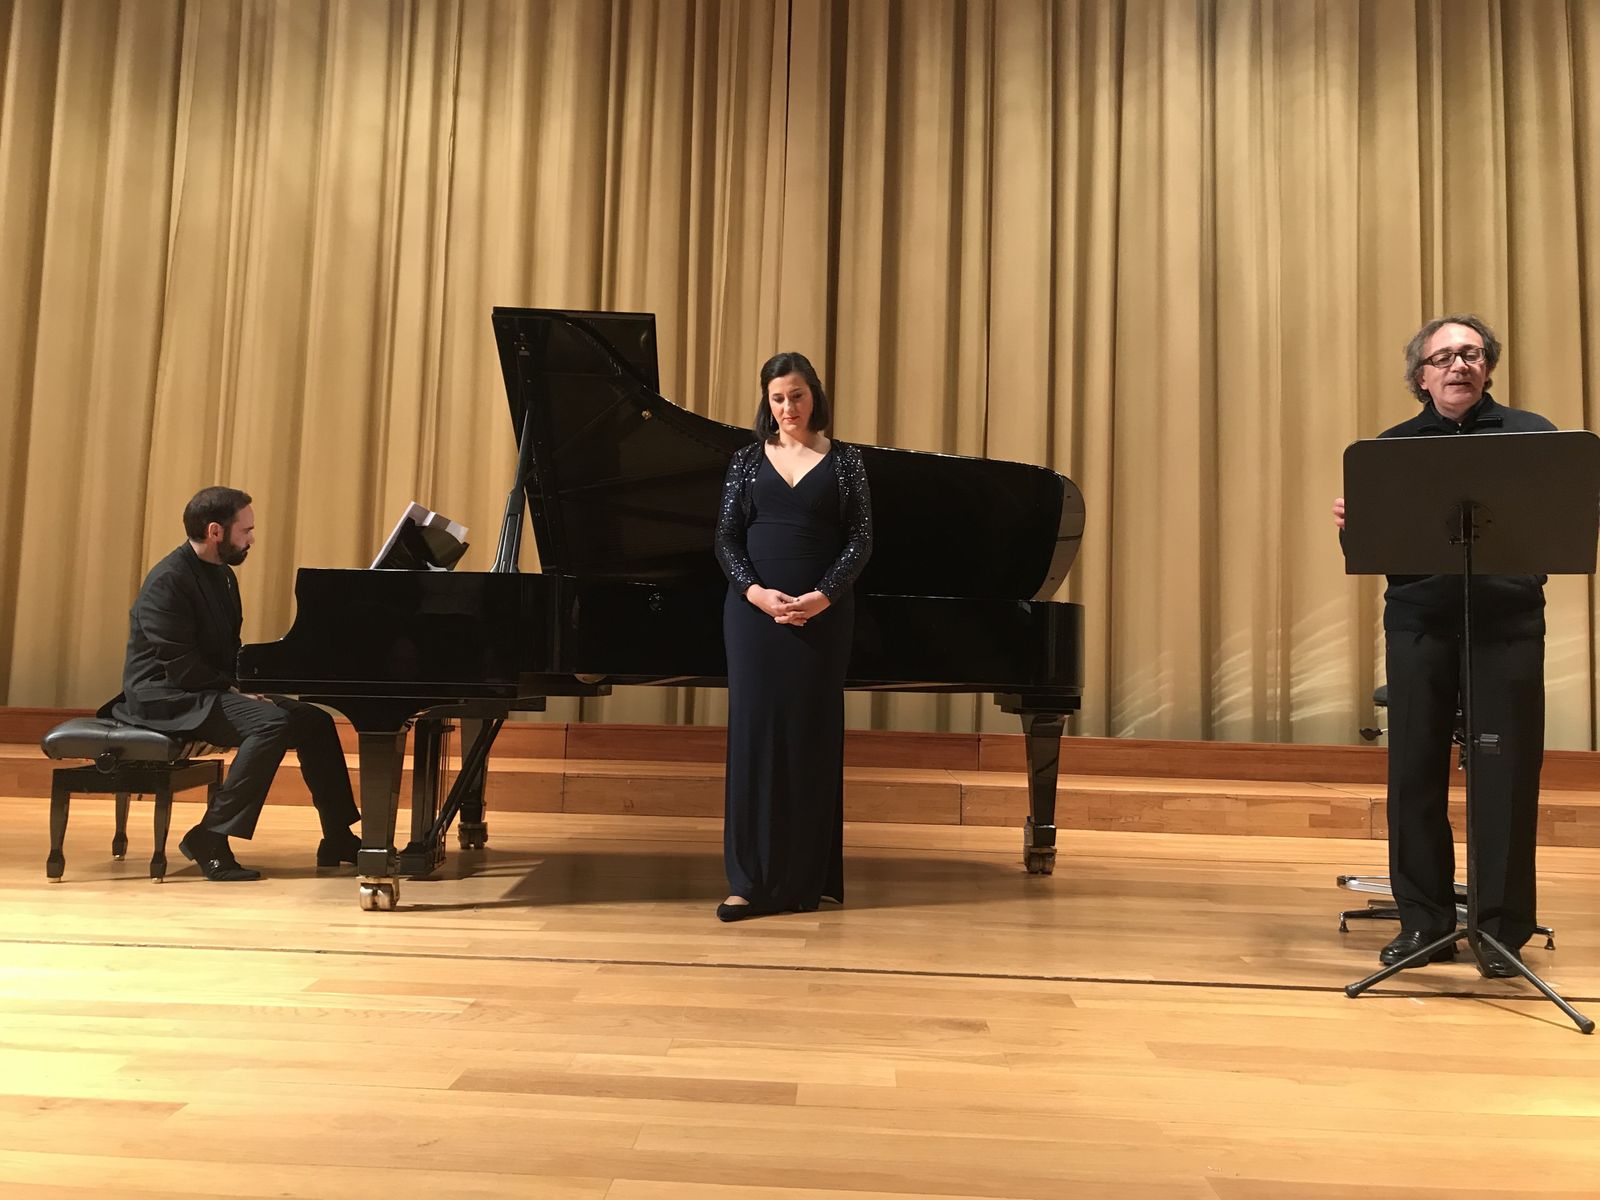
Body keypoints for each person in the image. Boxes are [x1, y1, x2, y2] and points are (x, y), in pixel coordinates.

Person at [1333, 314, 1555, 977]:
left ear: (1487, 367)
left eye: (1472, 354)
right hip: (1421, 621)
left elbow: (1562, 524)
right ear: (1421, 375)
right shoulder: (1392, 449)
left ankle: (1499, 935)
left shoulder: (1534, 437)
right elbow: (1370, 553)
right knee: (1415, 774)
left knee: (1506, 776)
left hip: (1507, 620)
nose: (1459, 364)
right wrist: (1356, 526)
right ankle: (1424, 923)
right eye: (1444, 357)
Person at [101, 486, 361, 881]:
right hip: (167, 697)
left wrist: (256, 683)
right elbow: (181, 666)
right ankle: (211, 835)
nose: (251, 539)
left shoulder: (221, 576)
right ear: (215, 531)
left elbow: (228, 652)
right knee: (270, 723)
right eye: (246, 530)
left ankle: (338, 836)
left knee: (314, 721)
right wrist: (239, 693)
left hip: (205, 688)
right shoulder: (168, 581)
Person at [712, 352, 873, 920]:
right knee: (754, 739)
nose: (788, 408)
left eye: (797, 396)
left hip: (823, 618)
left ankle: (806, 880)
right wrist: (756, 593)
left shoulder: (846, 462)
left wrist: (822, 597)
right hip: (753, 619)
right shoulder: (746, 462)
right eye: (778, 398)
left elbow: (859, 540)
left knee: (810, 736)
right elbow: (727, 540)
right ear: (767, 401)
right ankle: (748, 882)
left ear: (815, 397)